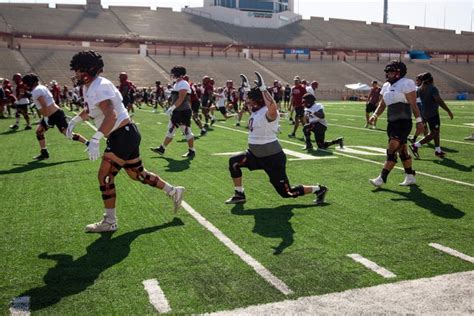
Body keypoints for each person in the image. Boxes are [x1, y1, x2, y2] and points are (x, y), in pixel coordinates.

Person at [66, 50, 184, 233]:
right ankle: (173, 191)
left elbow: (111, 115)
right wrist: (74, 121)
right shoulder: (90, 86)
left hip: (122, 134)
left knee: (105, 177)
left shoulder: (100, 85)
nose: (77, 74)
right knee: (137, 174)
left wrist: (96, 139)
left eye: (79, 70)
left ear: (89, 69)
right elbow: (90, 111)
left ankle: (109, 221)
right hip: (125, 134)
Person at [225, 72, 328, 205]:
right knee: (234, 162)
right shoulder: (256, 111)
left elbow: (272, 105)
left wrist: (263, 89)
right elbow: (248, 100)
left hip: (272, 159)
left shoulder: (269, 113)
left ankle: (319, 189)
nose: (247, 102)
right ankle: (239, 194)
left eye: (251, 100)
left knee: (287, 193)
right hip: (255, 155)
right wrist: (246, 88)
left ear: (259, 101)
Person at [369, 60, 424, 188]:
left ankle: (382, 178)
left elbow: (413, 104)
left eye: (391, 71)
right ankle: (410, 176)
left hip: (403, 122)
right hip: (392, 123)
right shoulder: (386, 86)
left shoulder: (406, 83)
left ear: (399, 73)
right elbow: (382, 104)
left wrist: (419, 121)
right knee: (402, 151)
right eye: (387, 72)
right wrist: (375, 115)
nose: (388, 74)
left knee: (391, 149)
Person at [21, 73, 89, 160]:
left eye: (26, 83)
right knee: (39, 131)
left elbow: (44, 105)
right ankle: (44, 152)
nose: (25, 86)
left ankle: (88, 143)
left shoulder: (36, 91)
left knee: (68, 134)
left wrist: (46, 118)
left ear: (30, 83)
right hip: (52, 113)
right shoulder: (41, 87)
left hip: (54, 115)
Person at [150, 65, 196, 158]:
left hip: (183, 111)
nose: (172, 75)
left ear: (178, 74)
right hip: (177, 111)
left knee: (186, 131)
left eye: (174, 73)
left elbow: (181, 98)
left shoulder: (183, 83)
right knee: (170, 129)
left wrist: (172, 108)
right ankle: (162, 148)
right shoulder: (177, 83)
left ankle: (192, 150)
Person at [409, 72, 453, 159]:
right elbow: (439, 100)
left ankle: (438, 150)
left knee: (436, 131)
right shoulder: (432, 88)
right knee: (434, 133)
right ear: (430, 79)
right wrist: (448, 110)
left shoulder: (420, 89)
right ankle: (416, 145)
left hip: (425, 112)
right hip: (432, 113)